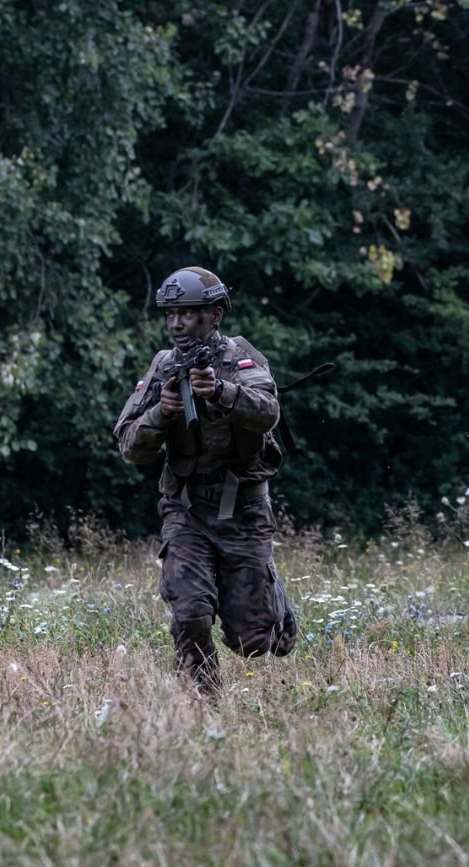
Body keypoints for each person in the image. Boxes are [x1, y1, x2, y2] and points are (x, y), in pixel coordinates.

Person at [113, 266, 297, 694]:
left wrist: (220, 392)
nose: (178, 323)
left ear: (215, 315)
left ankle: (278, 611)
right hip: (187, 509)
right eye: (171, 314)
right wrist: (162, 413)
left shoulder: (240, 359)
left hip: (244, 509)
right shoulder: (164, 366)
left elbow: (268, 411)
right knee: (190, 612)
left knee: (255, 642)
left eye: (190, 313)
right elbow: (129, 446)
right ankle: (205, 706)